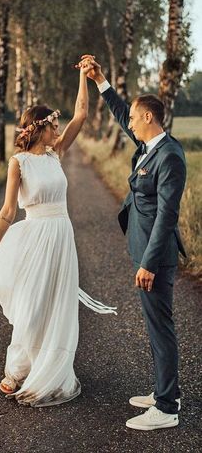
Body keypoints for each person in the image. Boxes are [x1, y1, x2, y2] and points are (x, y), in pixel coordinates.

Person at [0, 61, 116, 408]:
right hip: (34, 237)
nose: (57, 129)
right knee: (32, 304)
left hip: (61, 235)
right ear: (38, 128)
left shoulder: (58, 154)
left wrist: (84, 77)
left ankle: (53, 368)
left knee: (58, 304)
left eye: (57, 125)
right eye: (53, 125)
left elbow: (81, 115)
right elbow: (9, 211)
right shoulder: (18, 163)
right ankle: (18, 369)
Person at [77, 55, 186, 431]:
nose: (131, 124)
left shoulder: (169, 156)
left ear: (150, 119)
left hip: (155, 257)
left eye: (136, 119)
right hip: (145, 251)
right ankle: (162, 391)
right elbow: (124, 115)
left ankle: (167, 408)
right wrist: (101, 81)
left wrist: (149, 263)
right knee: (156, 324)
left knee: (161, 327)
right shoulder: (150, 146)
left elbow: (167, 217)